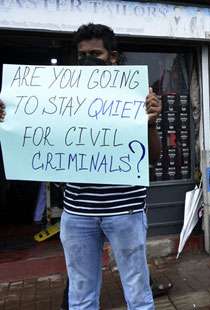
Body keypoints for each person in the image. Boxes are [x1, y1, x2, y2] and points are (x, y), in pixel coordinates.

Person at [0, 23, 162, 309]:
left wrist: (151, 123)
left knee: (138, 293)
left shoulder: (137, 95)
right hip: (77, 213)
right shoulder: (58, 96)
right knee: (80, 294)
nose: (88, 59)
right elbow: (35, 135)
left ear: (113, 57)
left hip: (125, 211)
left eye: (96, 54)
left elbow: (153, 158)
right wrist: (10, 116)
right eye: (82, 54)